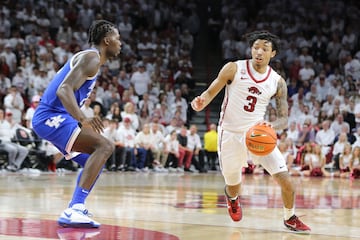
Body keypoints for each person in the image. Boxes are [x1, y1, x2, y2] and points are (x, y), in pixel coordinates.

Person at [190, 31, 310, 232]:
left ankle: (290, 217)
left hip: (258, 135)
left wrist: (274, 126)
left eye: (264, 48)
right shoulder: (234, 68)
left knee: (286, 180)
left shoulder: (277, 81)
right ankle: (233, 198)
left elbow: (283, 117)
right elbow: (211, 91)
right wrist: (201, 101)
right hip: (229, 134)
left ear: (273, 53)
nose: (259, 51)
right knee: (233, 185)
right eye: (256, 47)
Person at [31, 20, 122, 228]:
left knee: (95, 161)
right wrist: (83, 118)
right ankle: (74, 208)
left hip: (54, 118)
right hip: (51, 116)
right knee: (105, 146)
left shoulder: (92, 60)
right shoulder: (92, 57)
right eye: (117, 38)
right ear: (107, 40)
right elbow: (64, 90)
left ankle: (76, 206)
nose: (120, 43)